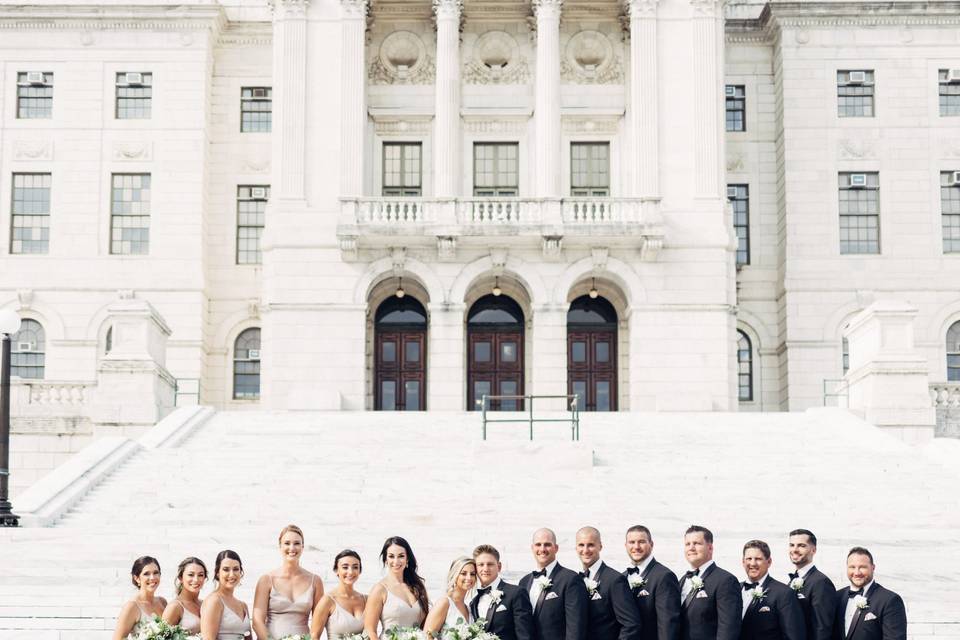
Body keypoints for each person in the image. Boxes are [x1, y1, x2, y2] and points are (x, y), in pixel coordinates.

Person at [253, 524, 324, 639]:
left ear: (302, 547)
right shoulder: (266, 580)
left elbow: (318, 624)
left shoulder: (315, 581)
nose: (292, 548)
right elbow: (257, 622)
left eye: (297, 543)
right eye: (287, 543)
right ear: (280, 546)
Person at [517, 527, 588, 640]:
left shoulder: (570, 579)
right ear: (532, 548)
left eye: (547, 544)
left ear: (556, 548)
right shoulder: (524, 582)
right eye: (538, 544)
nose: (542, 549)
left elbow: (576, 626)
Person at [575, 526, 643, 640]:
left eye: (591, 545)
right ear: (576, 548)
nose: (585, 550)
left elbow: (631, 624)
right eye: (581, 545)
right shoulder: (576, 580)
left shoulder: (615, 580)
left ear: (600, 546)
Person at [678, 525, 741, 640]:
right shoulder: (681, 580)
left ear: (710, 548)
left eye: (697, 543)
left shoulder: (725, 581)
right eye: (688, 544)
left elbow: (728, 628)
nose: (691, 548)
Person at [833, 547, 906, 640]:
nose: (857, 572)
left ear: (873, 567)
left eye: (862, 567)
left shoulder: (890, 600)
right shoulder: (836, 597)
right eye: (852, 567)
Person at [622, 525, 681, 640]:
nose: (636, 546)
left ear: (651, 544)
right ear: (625, 546)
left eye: (642, 542)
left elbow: (668, 624)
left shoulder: (664, 576)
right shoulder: (622, 577)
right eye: (632, 542)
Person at [363, 536, 428, 639]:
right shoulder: (379, 589)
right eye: (391, 556)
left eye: (401, 556)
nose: (396, 561)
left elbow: (425, 626)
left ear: (407, 559)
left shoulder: (418, 587)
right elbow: (370, 630)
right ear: (385, 560)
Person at [739, 540, 804, 640]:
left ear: (769, 562)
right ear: (743, 562)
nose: (753, 563)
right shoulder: (734, 589)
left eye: (758, 559)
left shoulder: (784, 593)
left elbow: (793, 635)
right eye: (749, 559)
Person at [469, 543, 535, 640]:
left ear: (499, 566)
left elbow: (525, 635)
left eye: (490, 564)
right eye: (481, 564)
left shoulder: (516, 593)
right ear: (475, 568)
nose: (485, 568)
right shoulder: (473, 601)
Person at [787, 529, 835, 640]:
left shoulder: (821, 582)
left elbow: (822, 628)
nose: (795, 549)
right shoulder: (792, 580)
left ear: (813, 550)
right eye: (792, 545)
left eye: (801, 546)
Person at [310, 550, 366, 640]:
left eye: (355, 567)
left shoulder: (367, 600)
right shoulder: (327, 601)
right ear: (336, 570)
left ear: (360, 571)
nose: (350, 572)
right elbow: (314, 636)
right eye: (345, 567)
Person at [112, 556, 168, 640]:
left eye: (156, 572)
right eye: (146, 574)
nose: (152, 577)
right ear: (137, 578)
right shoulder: (131, 607)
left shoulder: (163, 602)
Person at [201, 550, 251, 640]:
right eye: (226, 569)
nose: (231, 575)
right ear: (217, 573)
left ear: (240, 572)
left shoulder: (243, 606)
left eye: (236, 569)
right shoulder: (214, 601)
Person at [424, 556, 477, 634]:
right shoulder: (444, 603)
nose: (469, 577)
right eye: (463, 573)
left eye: (472, 574)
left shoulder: (469, 608)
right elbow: (427, 636)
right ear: (454, 576)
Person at [162, 556, 207, 635]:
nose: (196, 579)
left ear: (204, 578)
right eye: (190, 575)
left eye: (200, 575)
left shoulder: (205, 604)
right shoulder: (175, 607)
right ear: (181, 578)